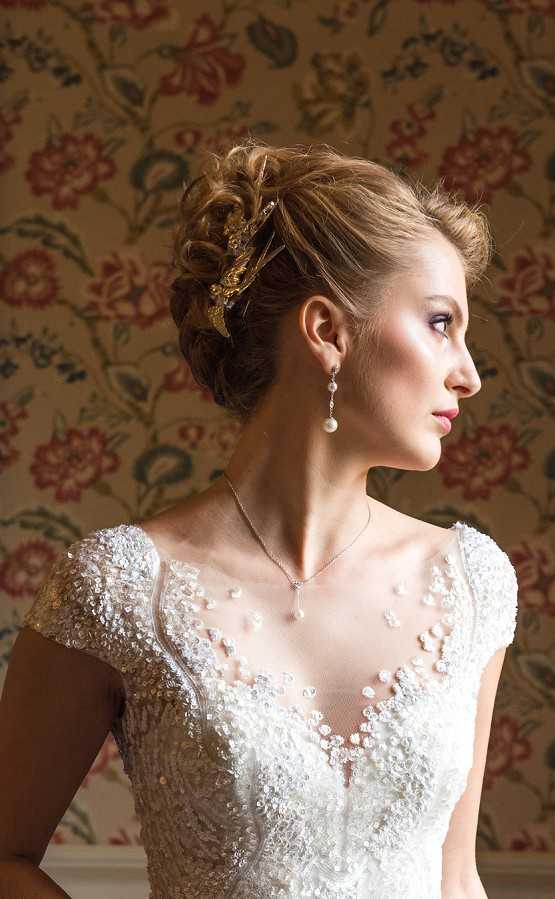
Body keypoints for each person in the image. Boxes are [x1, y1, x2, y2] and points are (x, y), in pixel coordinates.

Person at [0, 138, 519, 899]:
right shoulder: (119, 587)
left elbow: (456, 877)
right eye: (442, 322)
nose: (468, 374)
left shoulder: (470, 583)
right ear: (327, 331)